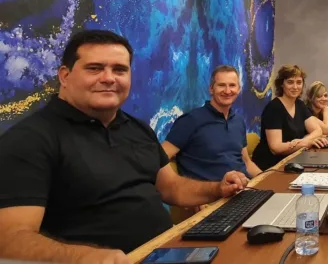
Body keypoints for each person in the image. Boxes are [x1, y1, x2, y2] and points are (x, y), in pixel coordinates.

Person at [0, 30, 248, 263]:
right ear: (65, 75)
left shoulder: (137, 129)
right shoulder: (30, 140)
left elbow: (172, 188)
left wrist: (218, 188)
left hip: (167, 252)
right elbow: (9, 239)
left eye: (119, 69)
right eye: (94, 68)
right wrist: (84, 257)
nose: (108, 78)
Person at [162, 65, 262, 182]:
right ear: (211, 89)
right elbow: (159, 158)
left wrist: (267, 181)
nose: (227, 91)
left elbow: (246, 162)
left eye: (232, 85)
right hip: (211, 198)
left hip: (244, 190)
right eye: (221, 85)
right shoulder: (190, 121)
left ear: (238, 89)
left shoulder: (238, 121)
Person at [252, 65, 328, 170]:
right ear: (281, 84)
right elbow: (276, 148)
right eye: (290, 82)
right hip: (271, 166)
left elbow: (317, 130)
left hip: (293, 160)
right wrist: (306, 143)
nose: (295, 87)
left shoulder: (300, 104)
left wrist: (302, 142)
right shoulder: (274, 108)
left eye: (299, 82)